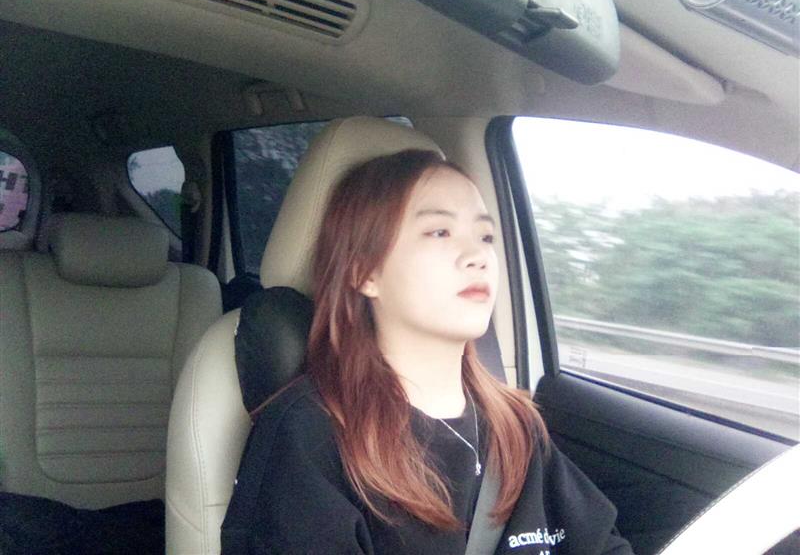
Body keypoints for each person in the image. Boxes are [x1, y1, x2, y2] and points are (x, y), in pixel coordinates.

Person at [221, 149, 634, 555]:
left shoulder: (516, 426)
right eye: (440, 232)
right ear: (365, 272)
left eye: (485, 237)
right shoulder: (313, 435)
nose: (478, 256)